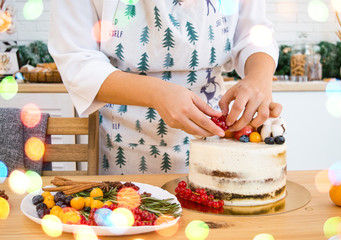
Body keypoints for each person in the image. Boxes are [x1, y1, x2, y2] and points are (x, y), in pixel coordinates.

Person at [48, 0, 282, 175]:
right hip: (124, 147)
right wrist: (157, 93)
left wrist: (259, 76)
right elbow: (77, 60)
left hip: (216, 144)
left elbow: (254, 33)